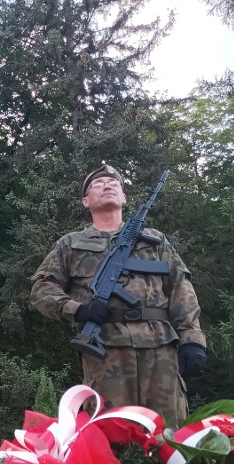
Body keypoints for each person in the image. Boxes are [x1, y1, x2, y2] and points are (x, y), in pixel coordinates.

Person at [29, 165, 207, 426]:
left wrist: (192, 340)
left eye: (114, 183)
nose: (107, 185)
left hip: (160, 349)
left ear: (124, 198)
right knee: (110, 433)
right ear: (86, 201)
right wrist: (77, 309)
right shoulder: (70, 243)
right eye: (98, 184)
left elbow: (180, 287)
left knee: (168, 433)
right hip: (106, 351)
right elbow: (41, 289)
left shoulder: (155, 241)